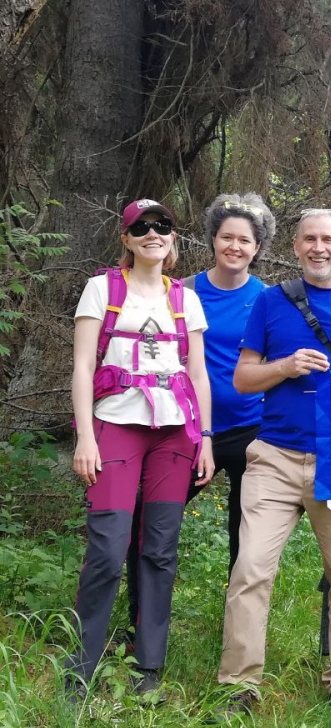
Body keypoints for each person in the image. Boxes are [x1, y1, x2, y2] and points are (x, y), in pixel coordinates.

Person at [216, 208, 331, 728]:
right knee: (250, 569)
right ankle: (239, 685)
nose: (319, 247)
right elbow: (244, 379)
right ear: (295, 247)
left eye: (328, 240)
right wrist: (285, 367)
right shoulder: (271, 302)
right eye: (309, 239)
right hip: (272, 456)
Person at [68, 199, 213, 699]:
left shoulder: (185, 298)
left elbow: (197, 374)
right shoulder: (102, 289)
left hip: (174, 433)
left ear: (173, 238)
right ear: (127, 239)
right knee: (108, 547)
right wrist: (85, 436)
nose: (154, 233)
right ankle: (81, 664)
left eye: (163, 227)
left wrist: (207, 439)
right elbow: (84, 367)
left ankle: (147, 665)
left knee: (160, 549)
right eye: (142, 227)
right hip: (115, 426)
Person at [126, 194, 275, 633]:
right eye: (226, 236)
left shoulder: (267, 300)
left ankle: (238, 631)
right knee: (148, 519)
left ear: (257, 248)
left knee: (247, 539)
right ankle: (142, 623)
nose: (235, 246)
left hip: (252, 429)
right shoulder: (182, 290)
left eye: (244, 240)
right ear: (212, 239)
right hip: (188, 431)